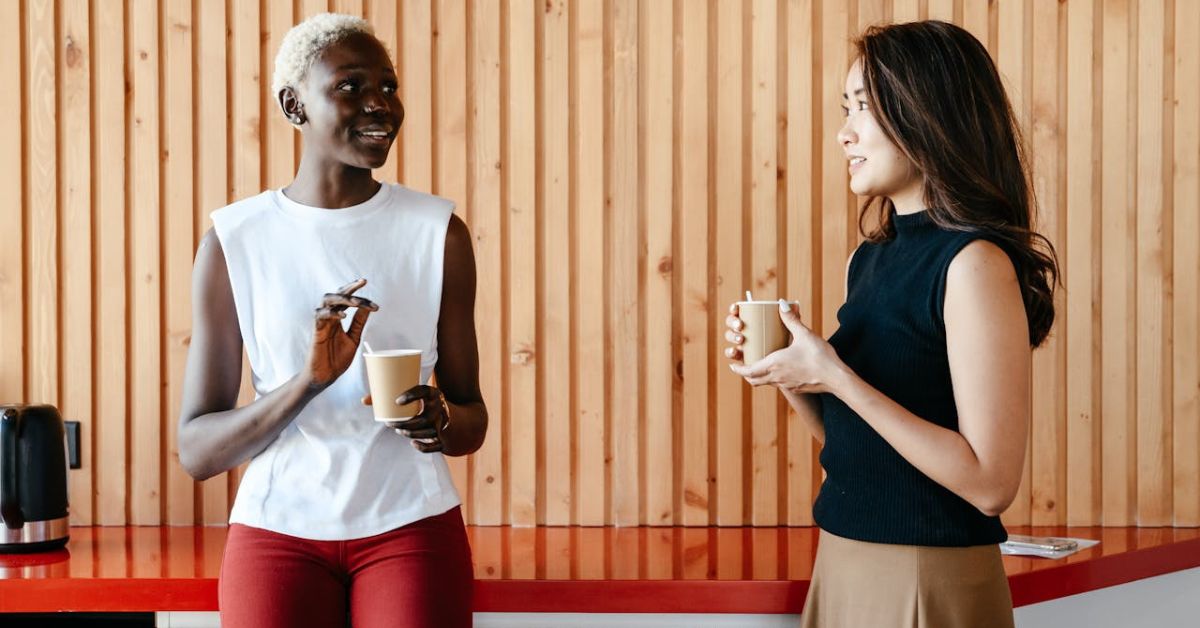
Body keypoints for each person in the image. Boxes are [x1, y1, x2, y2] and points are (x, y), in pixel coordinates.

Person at [726, 20, 1058, 628]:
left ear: (924, 116)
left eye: (861, 109)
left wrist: (837, 375)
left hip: (927, 574)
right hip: (844, 556)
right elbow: (869, 452)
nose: (843, 132)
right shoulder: (870, 259)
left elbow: (990, 484)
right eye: (844, 108)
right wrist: (796, 373)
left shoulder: (974, 264)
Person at [177, 13, 485, 628]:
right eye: (350, 86)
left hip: (410, 524)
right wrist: (306, 383)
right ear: (295, 105)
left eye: (389, 87)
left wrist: (439, 419)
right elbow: (197, 450)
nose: (380, 103)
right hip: (276, 531)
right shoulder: (234, 242)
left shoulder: (438, 235)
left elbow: (471, 421)